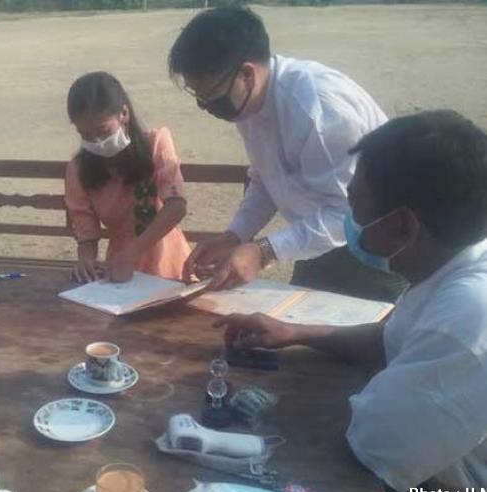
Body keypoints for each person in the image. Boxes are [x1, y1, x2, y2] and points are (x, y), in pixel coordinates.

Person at [217, 111, 487, 492]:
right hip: (427, 471)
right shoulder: (454, 264)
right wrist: (293, 332)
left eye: (357, 205)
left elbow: (371, 443)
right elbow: (389, 340)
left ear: (402, 226)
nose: (349, 219)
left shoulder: (466, 319)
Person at [169, 6, 406, 301]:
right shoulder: (250, 104)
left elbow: (347, 215)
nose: (206, 106)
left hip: (374, 249)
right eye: (199, 97)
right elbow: (266, 179)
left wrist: (263, 251)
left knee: (371, 339)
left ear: (246, 74)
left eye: (211, 96)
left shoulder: (318, 109)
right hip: (313, 243)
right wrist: (234, 236)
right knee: (294, 329)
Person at [64, 71, 191, 283]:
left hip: (171, 264)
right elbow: (86, 230)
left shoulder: (155, 143)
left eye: (103, 131)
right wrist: (86, 260)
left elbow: (176, 206)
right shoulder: (78, 169)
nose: (96, 141)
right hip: (120, 270)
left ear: (124, 113)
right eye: (85, 135)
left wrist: (133, 252)